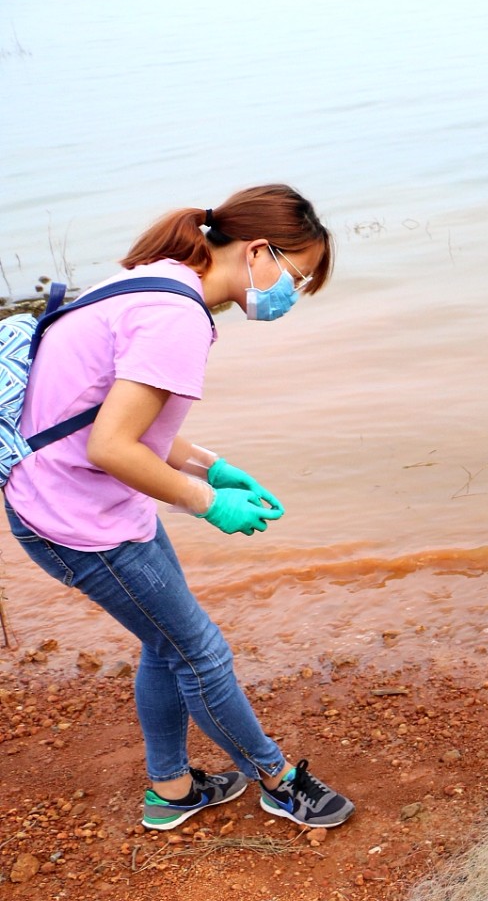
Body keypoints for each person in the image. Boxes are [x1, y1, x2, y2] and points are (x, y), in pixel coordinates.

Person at [5, 184, 356, 832]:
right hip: (77, 518)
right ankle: (279, 782)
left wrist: (209, 466)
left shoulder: (157, 280)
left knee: (165, 642)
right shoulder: (179, 316)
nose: (291, 297)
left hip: (79, 499)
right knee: (199, 653)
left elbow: (117, 419)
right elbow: (114, 445)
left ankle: (170, 789)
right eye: (296, 277)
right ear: (257, 251)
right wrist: (207, 502)